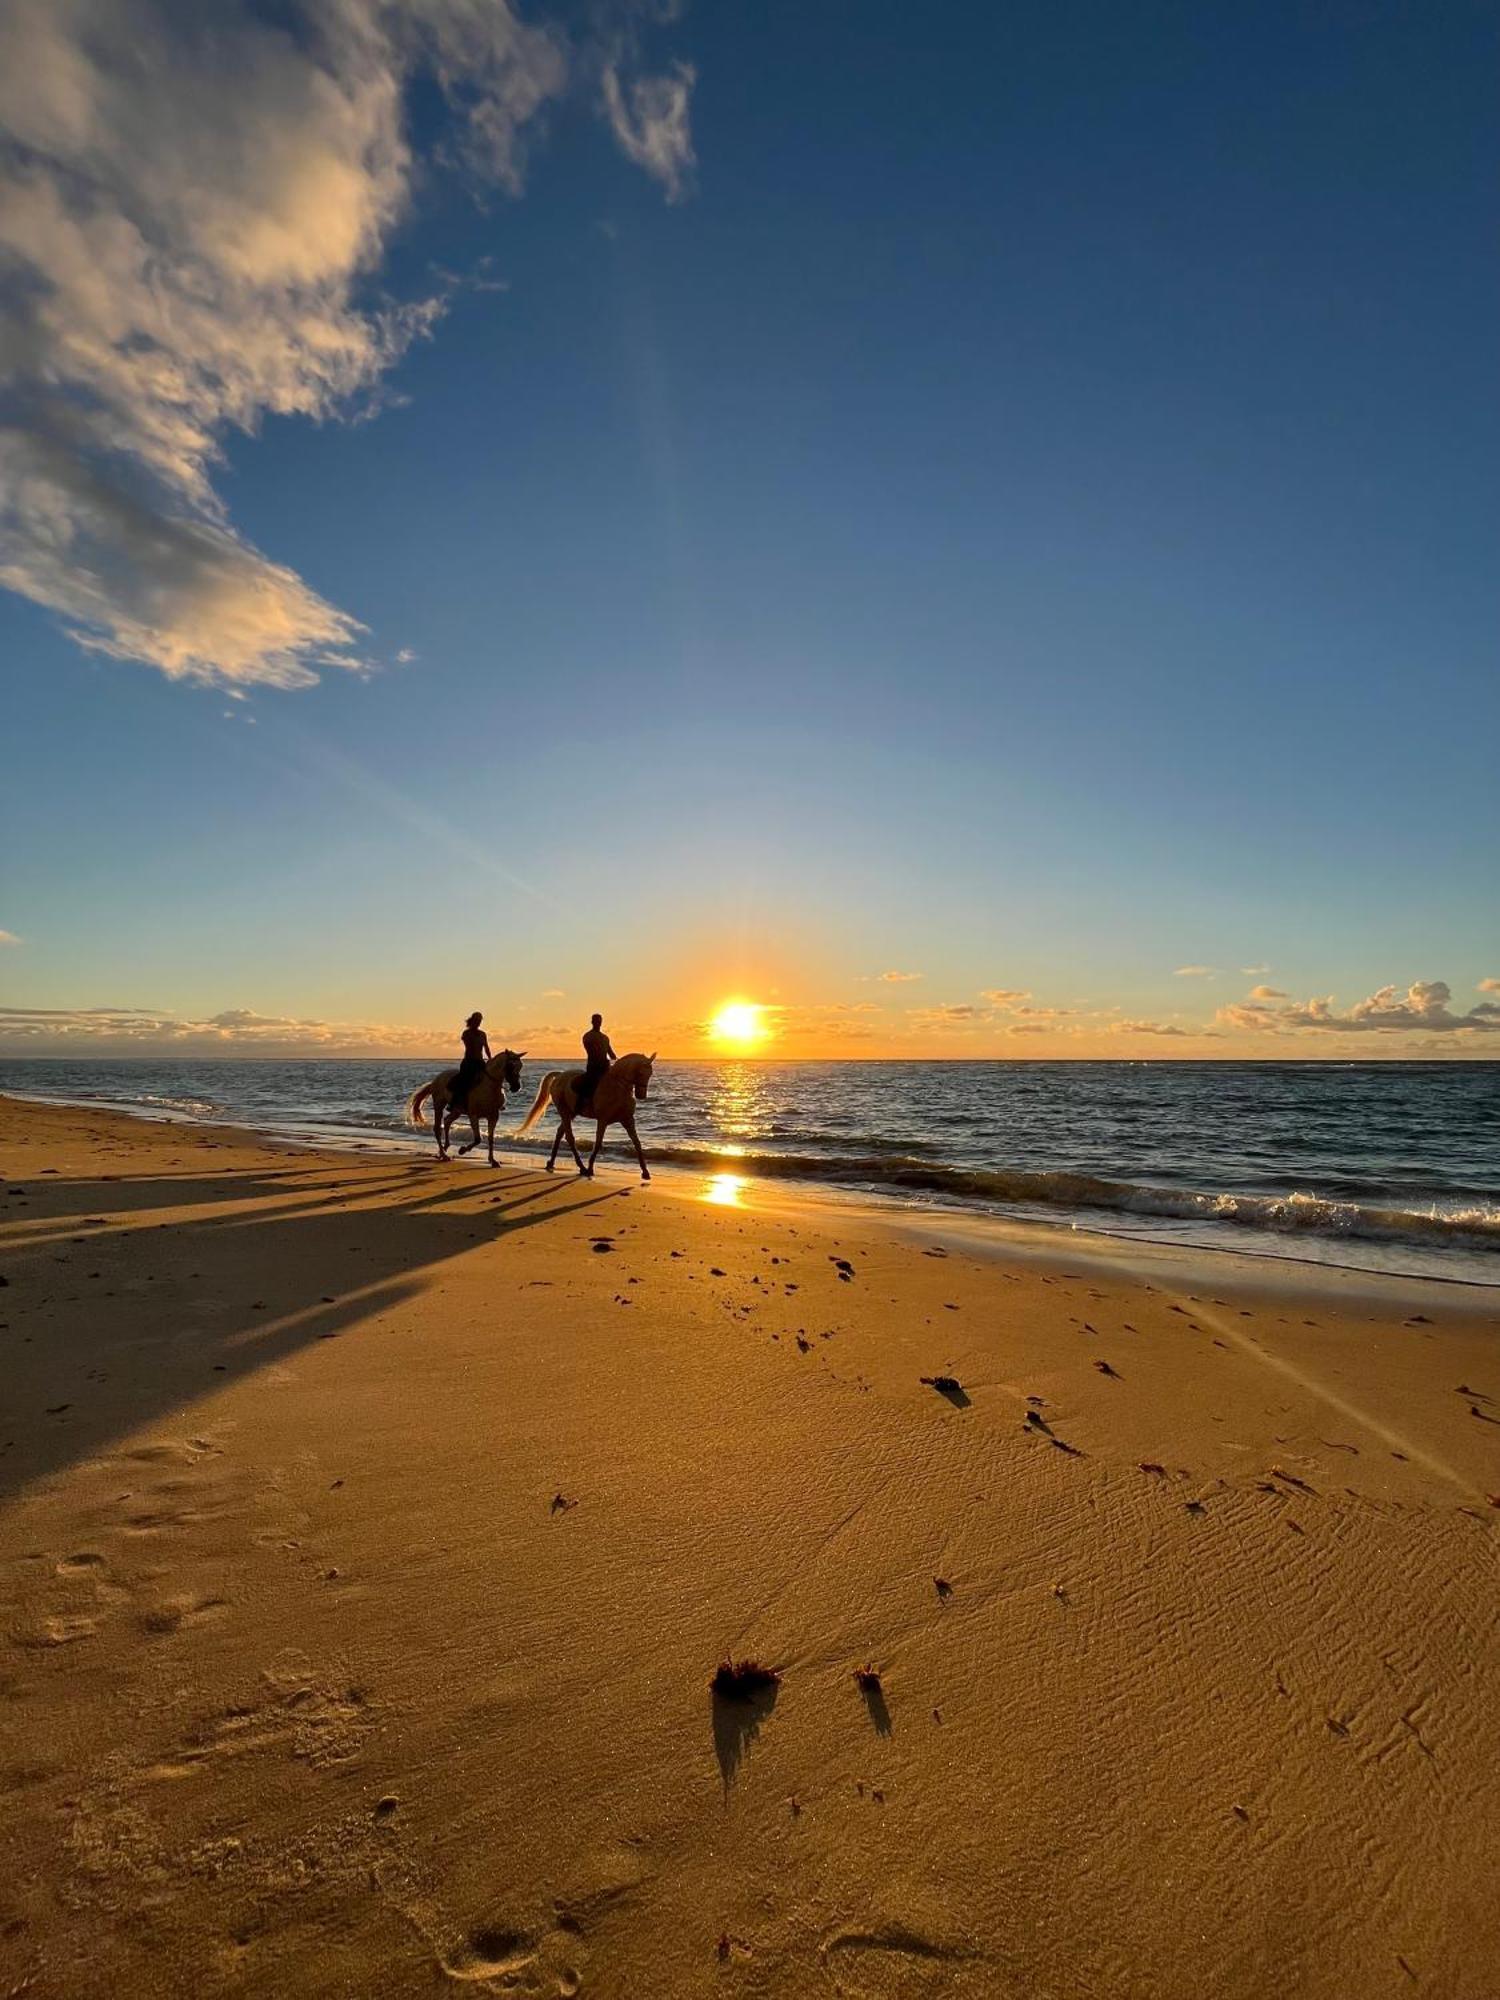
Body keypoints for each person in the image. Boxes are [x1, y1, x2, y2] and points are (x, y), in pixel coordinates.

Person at [450, 1011, 491, 1113]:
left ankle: (493, 1102)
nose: (479, 1023)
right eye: (477, 1021)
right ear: (473, 1021)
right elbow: (470, 1047)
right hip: (469, 1061)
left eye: (480, 1021)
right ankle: (454, 1103)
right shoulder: (466, 1033)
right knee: (464, 1080)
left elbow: (486, 1048)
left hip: (480, 1061)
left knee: (491, 1078)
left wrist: (490, 1059)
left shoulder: (483, 1034)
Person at [576, 1012, 615, 1111]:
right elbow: (591, 1051)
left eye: (600, 1021)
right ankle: (580, 1104)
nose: (598, 1023)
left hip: (605, 1066)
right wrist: (602, 1058)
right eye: (596, 1021)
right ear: (592, 1022)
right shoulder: (588, 1036)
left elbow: (611, 1053)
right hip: (594, 1066)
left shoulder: (605, 1038)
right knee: (589, 1083)